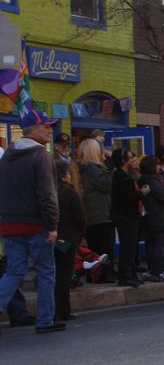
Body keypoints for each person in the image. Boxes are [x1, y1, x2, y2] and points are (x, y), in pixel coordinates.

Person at [0, 108, 65, 334]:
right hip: (37, 224)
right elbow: (47, 194)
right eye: (46, 127)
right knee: (46, 271)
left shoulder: (7, 156)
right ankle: (45, 320)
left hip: (9, 224)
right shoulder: (41, 156)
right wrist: (52, 226)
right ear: (33, 130)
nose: (50, 130)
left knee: (14, 271)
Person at [77, 137, 115, 280]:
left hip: (94, 211)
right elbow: (105, 185)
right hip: (99, 212)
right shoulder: (92, 168)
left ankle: (96, 274)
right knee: (103, 246)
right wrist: (110, 167)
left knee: (96, 245)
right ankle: (102, 274)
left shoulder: (84, 167)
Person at [54, 160, 86, 322]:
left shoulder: (48, 190)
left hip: (51, 238)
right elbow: (80, 217)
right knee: (64, 274)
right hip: (66, 238)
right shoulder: (68, 192)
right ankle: (62, 310)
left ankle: (51, 310)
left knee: (51, 273)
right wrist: (81, 233)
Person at [111, 148, 146, 287]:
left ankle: (130, 274)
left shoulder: (125, 175)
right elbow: (128, 199)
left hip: (127, 216)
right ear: (124, 161)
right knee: (127, 247)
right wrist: (142, 193)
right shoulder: (122, 178)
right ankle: (124, 276)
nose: (134, 160)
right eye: (131, 158)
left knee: (130, 247)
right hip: (126, 217)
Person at [139, 155, 164, 281]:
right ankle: (158, 271)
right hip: (158, 215)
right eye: (157, 165)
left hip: (150, 216)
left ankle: (153, 270)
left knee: (152, 244)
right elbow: (162, 195)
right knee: (158, 245)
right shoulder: (153, 180)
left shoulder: (143, 179)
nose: (159, 167)